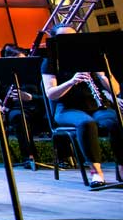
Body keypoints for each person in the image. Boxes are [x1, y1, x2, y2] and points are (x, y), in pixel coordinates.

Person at [42, 24, 123, 187]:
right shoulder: (50, 62)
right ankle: (96, 172)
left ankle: (122, 169)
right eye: (64, 38)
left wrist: (101, 75)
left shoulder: (91, 58)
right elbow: (51, 93)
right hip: (67, 109)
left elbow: (116, 90)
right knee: (86, 123)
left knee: (117, 121)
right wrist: (72, 81)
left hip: (96, 106)